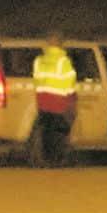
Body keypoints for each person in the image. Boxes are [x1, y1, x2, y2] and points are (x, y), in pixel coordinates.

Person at [32, 32, 78, 166]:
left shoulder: (39, 61)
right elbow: (70, 81)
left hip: (42, 101)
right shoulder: (63, 61)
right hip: (59, 102)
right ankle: (56, 160)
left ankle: (46, 159)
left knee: (45, 132)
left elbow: (36, 80)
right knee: (58, 133)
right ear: (60, 45)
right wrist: (72, 100)